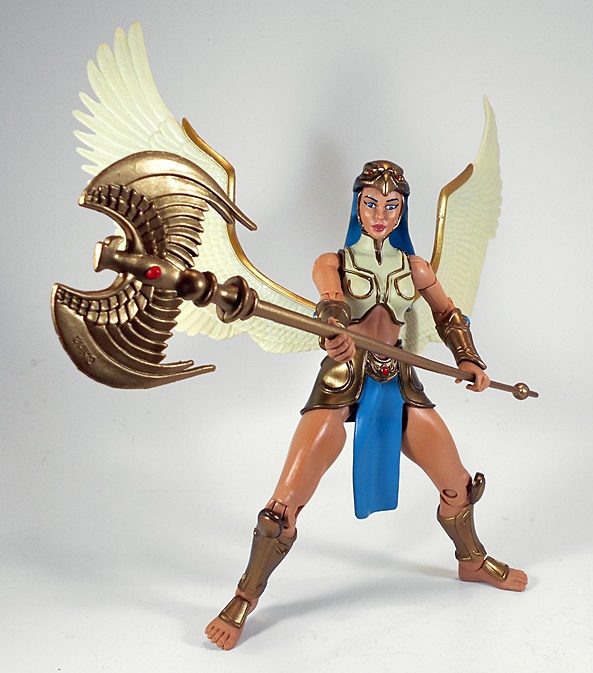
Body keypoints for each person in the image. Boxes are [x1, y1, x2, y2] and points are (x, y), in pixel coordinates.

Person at [204, 160, 528, 650]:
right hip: (342, 378)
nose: (380, 215)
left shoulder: (416, 268)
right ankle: (245, 596)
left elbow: (448, 314)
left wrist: (469, 358)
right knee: (283, 503)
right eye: (371, 203)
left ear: (402, 211)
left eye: (391, 206)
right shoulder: (331, 262)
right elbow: (331, 303)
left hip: (398, 377)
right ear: (357, 206)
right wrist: (333, 330)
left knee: (458, 483)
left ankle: (472, 560)